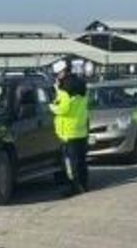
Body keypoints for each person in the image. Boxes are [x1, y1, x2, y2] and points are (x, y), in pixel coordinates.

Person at [49, 58, 90, 195]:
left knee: (71, 163)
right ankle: (84, 185)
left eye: (57, 74)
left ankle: (75, 187)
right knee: (82, 161)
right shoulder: (82, 85)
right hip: (81, 129)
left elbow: (63, 108)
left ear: (62, 72)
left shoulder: (64, 88)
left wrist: (51, 106)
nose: (57, 77)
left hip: (68, 131)